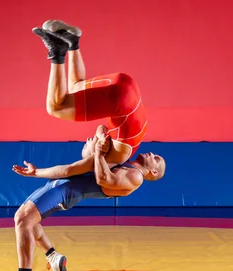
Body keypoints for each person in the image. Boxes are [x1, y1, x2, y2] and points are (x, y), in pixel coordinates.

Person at [0, 133, 166, 271]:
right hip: (59, 185)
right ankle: (53, 257)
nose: (152, 153)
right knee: (28, 221)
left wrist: (98, 151)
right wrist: (36, 172)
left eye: (156, 158)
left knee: (23, 219)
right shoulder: (122, 160)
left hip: (66, 191)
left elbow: (103, 179)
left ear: (154, 172)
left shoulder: (136, 177)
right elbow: (68, 169)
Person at [33, 19, 148, 167]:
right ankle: (56, 52)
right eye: (87, 145)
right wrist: (37, 172)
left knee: (76, 88)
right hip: (120, 100)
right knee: (55, 108)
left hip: (126, 84)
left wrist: (99, 137)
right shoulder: (115, 158)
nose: (88, 140)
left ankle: (72, 42)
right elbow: (71, 170)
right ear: (95, 154)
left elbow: (102, 128)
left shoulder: (112, 142)